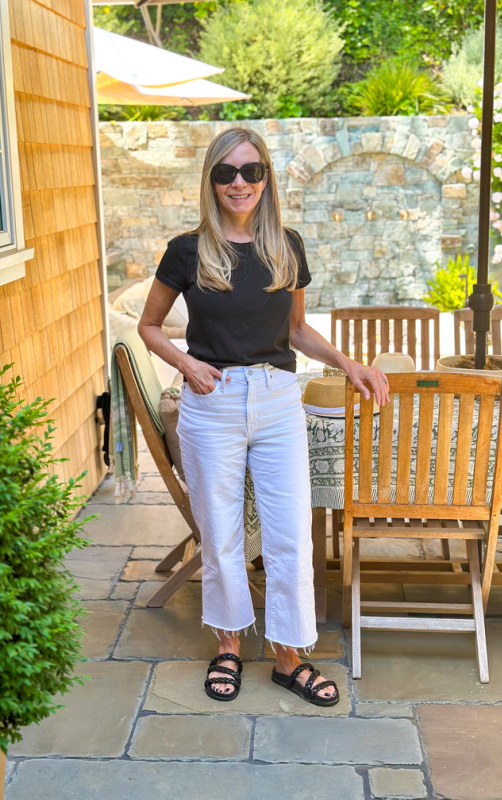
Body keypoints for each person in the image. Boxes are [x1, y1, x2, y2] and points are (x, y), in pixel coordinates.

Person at [138, 128, 389, 706]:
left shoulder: (286, 245)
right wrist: (187, 364)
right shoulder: (187, 249)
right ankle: (227, 647)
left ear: (267, 177)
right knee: (221, 533)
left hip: (278, 400)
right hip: (213, 400)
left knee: (289, 535)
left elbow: (296, 330)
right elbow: (149, 326)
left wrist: (347, 362)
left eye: (250, 171)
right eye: (225, 173)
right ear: (211, 181)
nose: (239, 183)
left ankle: (289, 655)